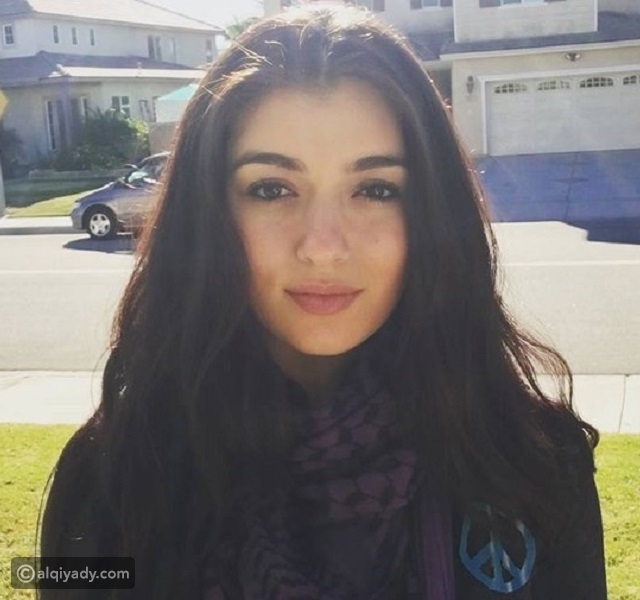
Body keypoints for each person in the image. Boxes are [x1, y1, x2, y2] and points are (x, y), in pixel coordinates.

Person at [39, 6, 607, 600]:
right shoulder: (109, 476)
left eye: (375, 189)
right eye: (271, 189)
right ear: (207, 213)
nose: (324, 247)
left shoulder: (535, 463)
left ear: (431, 213)